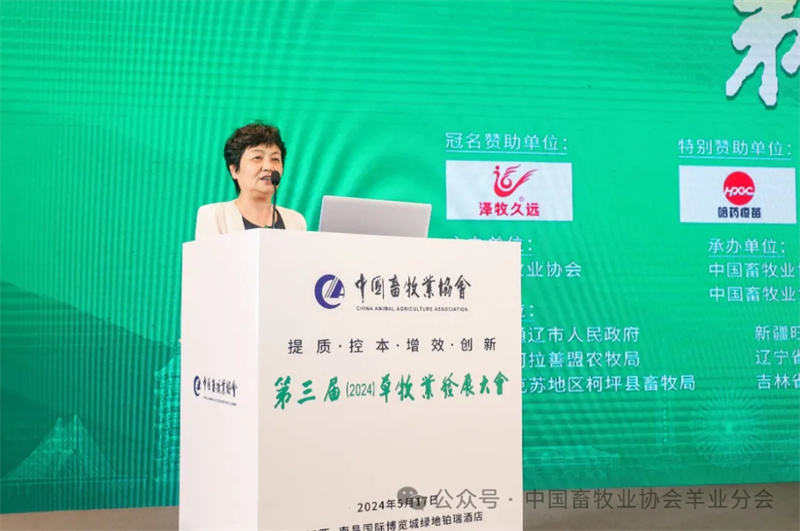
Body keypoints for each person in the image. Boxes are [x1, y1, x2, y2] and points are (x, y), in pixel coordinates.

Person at [195, 122, 307, 239]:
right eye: (257, 158)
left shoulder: (296, 222)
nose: (268, 167)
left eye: (275, 159)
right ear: (234, 170)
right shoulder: (214, 216)